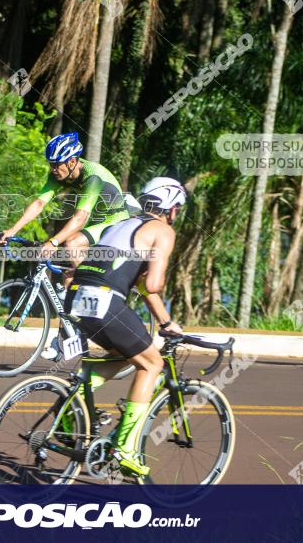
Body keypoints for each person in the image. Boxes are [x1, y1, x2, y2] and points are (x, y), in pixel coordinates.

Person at [62, 176, 187, 477]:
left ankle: (75, 399)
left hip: (76, 297)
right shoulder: (163, 231)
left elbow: (143, 288)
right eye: (178, 208)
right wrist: (165, 309)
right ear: (169, 207)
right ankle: (127, 450)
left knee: (125, 356)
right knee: (151, 364)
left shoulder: (124, 224)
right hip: (105, 301)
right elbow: (153, 285)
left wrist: (165, 322)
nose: (177, 215)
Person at [0, 132, 137, 358]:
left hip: (115, 222)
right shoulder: (61, 173)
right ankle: (68, 338)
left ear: (72, 161)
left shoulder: (93, 177)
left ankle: (92, 297)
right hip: (97, 222)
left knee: (71, 244)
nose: (53, 169)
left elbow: (80, 218)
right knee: (69, 279)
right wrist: (12, 230)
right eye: (50, 164)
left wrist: (53, 241)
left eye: (56, 165)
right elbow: (40, 202)